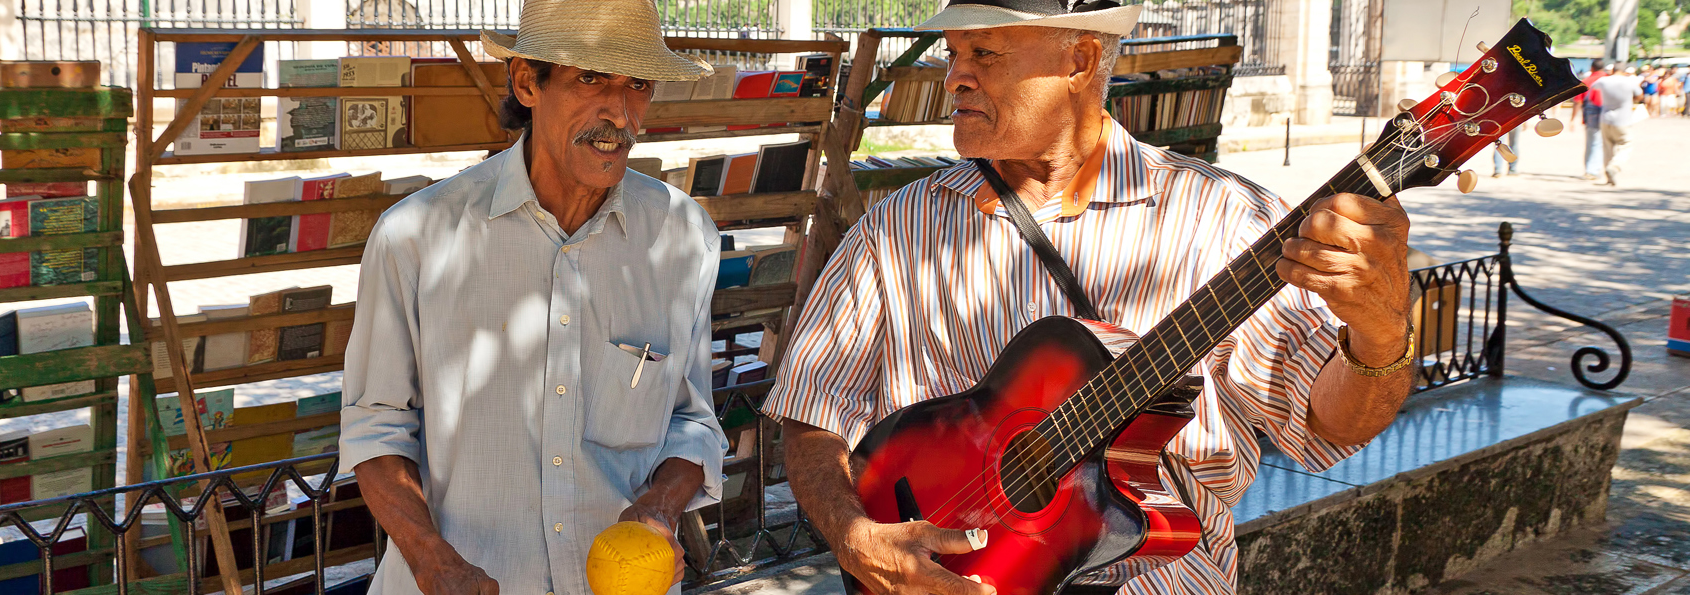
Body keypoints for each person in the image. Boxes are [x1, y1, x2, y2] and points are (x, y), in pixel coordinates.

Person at [765, 1, 1415, 594]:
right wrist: (855, 538)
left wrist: (1381, 335)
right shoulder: (895, 229)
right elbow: (812, 413)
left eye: (984, 54)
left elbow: (1327, 423)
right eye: (953, 53)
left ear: (1079, 61)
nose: (954, 77)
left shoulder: (1224, 223)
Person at [338, 0, 728, 593]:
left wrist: (659, 508)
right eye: (591, 79)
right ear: (527, 82)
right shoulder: (414, 237)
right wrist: (429, 559)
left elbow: (692, 421)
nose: (620, 114)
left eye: (639, 85)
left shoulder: (683, 237)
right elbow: (375, 428)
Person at [1592, 66, 1645, 186]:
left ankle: (1608, 178)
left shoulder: (1603, 81)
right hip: (1623, 119)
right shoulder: (1629, 81)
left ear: (1612, 70)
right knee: (1626, 144)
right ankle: (1614, 167)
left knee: (1607, 147)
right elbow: (1639, 95)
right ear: (1624, 71)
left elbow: (1593, 89)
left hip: (1605, 118)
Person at [1576, 61, 1609, 180]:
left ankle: (1591, 170)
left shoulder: (1586, 81)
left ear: (1592, 68)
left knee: (1593, 143)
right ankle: (1607, 166)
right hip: (1611, 115)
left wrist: (1572, 118)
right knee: (1607, 143)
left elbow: (1578, 101)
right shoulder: (1609, 80)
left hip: (1592, 116)